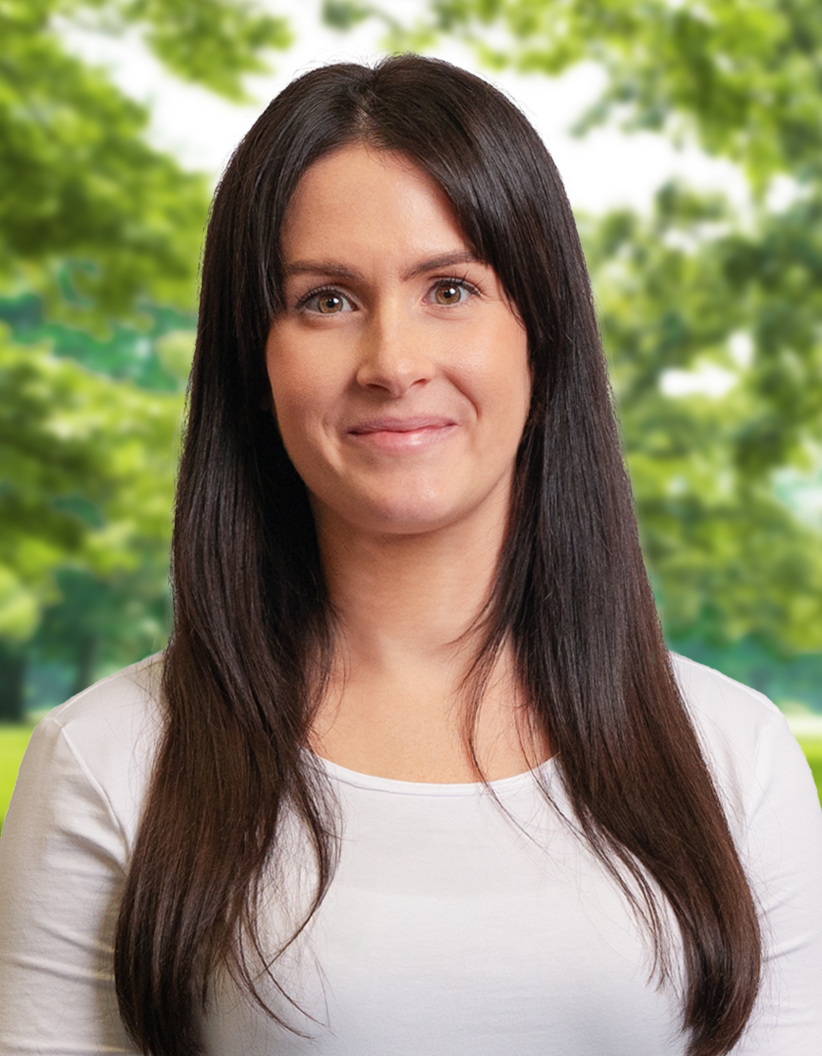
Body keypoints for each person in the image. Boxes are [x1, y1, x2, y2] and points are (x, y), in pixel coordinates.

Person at [0, 54, 820, 1056]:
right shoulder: (108, 760)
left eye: (451, 288)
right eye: (326, 300)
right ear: (257, 361)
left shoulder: (735, 757)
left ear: (543, 334)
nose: (392, 362)